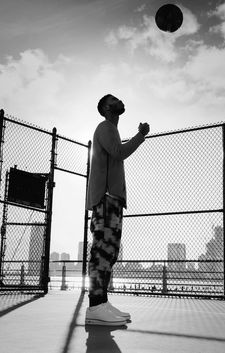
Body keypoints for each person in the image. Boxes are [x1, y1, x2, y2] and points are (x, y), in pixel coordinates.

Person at [85, 94, 150, 326]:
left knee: (109, 253)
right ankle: (95, 306)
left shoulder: (111, 131)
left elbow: (117, 151)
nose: (120, 101)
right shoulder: (105, 126)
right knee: (102, 251)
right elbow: (119, 153)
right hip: (106, 199)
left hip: (111, 199)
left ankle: (102, 303)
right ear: (105, 108)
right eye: (114, 100)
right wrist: (141, 136)